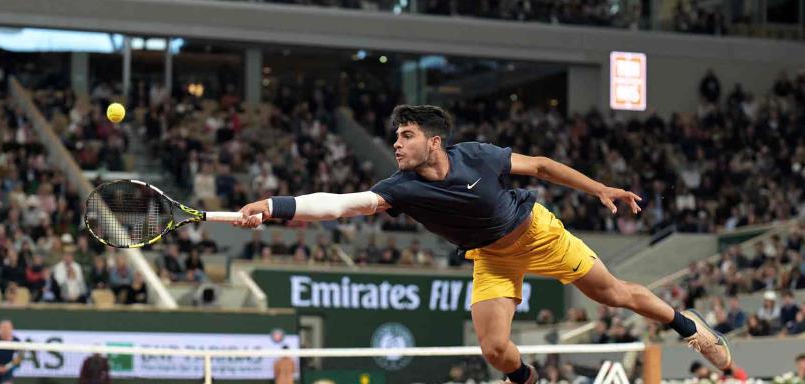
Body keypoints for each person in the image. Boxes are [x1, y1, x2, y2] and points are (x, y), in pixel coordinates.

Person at [234, 105, 732, 383]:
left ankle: (690, 327)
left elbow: (538, 165)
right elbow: (340, 204)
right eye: (396, 137)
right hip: (492, 257)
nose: (397, 144)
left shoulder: (475, 155)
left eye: (406, 135)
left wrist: (599, 188)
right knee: (495, 350)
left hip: (538, 234)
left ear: (434, 142)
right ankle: (530, 383)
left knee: (616, 295)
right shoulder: (400, 187)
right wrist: (275, 206)